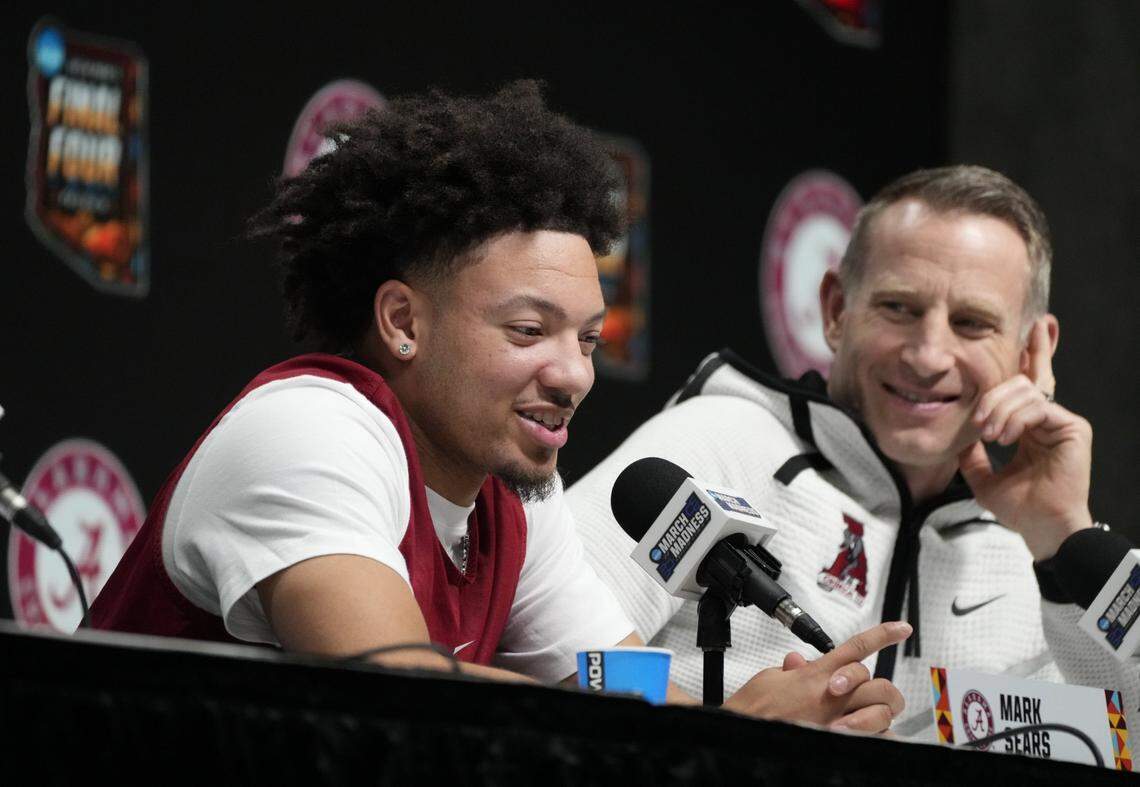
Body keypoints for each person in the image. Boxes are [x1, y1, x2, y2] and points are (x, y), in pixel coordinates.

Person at [88, 82, 907, 730]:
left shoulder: (514, 494)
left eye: (587, 338)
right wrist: (729, 730)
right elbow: (394, 688)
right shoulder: (309, 427)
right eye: (528, 329)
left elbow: (616, 686)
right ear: (403, 321)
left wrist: (762, 721)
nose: (574, 375)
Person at [567, 164, 1138, 737]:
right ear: (837, 310)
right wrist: (731, 734)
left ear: (1032, 347)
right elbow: (548, 652)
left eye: (972, 323)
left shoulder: (1034, 557)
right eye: (899, 308)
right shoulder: (723, 442)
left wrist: (1064, 537)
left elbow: (1126, 740)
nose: (928, 355)